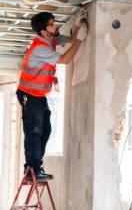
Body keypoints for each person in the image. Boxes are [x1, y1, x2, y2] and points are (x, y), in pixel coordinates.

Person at [17, 12, 87, 181]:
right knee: (34, 131)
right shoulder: (40, 48)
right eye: (51, 24)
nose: (55, 26)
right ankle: (32, 170)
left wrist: (77, 26)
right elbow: (65, 59)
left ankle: (34, 166)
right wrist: (80, 40)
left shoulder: (50, 40)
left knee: (45, 130)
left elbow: (68, 39)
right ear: (43, 31)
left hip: (38, 95)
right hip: (29, 95)